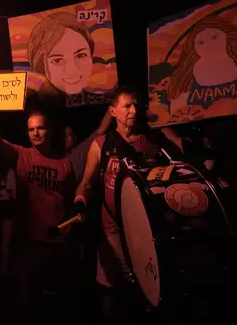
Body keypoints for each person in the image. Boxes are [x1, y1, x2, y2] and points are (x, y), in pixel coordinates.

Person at [73, 87, 182, 324]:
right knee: (113, 287)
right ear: (113, 112)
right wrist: (80, 201)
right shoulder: (101, 145)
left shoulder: (153, 140)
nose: (133, 110)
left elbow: (178, 163)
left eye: (135, 105)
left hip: (148, 227)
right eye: (126, 106)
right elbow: (87, 182)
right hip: (111, 227)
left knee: (147, 286)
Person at [0, 91, 76, 321]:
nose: (35, 133)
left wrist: (72, 225)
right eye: (30, 130)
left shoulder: (66, 162)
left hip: (59, 244)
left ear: (49, 131)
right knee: (29, 304)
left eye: (39, 128)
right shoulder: (21, 155)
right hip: (29, 244)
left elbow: (70, 200)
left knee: (60, 305)